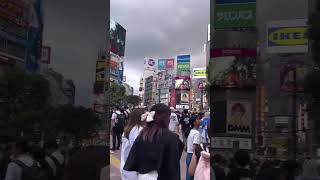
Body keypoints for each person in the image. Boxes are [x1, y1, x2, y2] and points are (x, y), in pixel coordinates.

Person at [124, 104, 184, 180]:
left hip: (142, 177)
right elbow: (172, 166)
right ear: (165, 118)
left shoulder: (142, 135)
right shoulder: (171, 137)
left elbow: (134, 160)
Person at [120, 108, 146, 180]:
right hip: (134, 169)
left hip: (126, 165)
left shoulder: (128, 128)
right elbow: (138, 149)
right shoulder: (137, 129)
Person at [186, 114, 202, 180]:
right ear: (194, 122)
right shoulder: (196, 133)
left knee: (189, 175)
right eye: (198, 119)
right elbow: (194, 147)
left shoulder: (191, 131)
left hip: (189, 155)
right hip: (193, 156)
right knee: (192, 176)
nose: (200, 120)